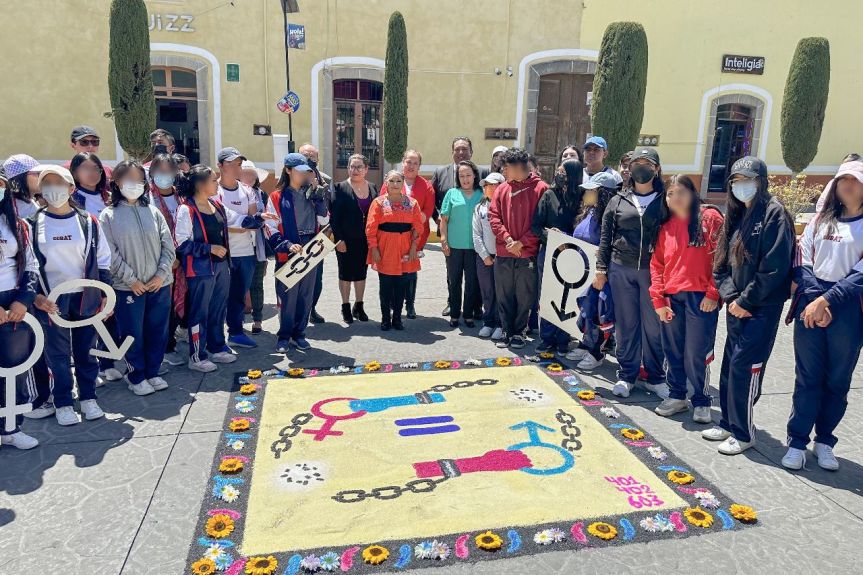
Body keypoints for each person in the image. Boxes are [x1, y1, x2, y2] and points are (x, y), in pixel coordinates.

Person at [705, 156, 794, 455]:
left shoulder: (774, 213)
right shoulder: (736, 214)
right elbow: (720, 265)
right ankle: (728, 422)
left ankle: (744, 432)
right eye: (736, 181)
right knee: (730, 364)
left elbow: (774, 268)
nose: (741, 186)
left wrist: (746, 300)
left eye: (748, 180)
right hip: (736, 305)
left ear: (761, 181)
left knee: (746, 367)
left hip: (761, 307)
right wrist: (732, 297)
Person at [782, 162, 863, 471]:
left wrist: (827, 301)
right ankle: (797, 441)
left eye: (855, 180)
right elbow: (802, 261)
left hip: (848, 308)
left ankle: (825, 440)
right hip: (812, 300)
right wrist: (816, 301)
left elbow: (859, 276)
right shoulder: (820, 220)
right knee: (808, 376)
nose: (847, 185)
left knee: (838, 379)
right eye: (842, 179)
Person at [28, 165, 111, 426]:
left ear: (71, 188)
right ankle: (63, 401)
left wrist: (105, 291)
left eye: (59, 183)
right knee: (58, 355)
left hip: (85, 295)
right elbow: (27, 265)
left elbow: (102, 258)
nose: (53, 188)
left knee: (86, 350)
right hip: (51, 300)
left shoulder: (88, 221)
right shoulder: (31, 225)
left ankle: (88, 397)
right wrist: (36, 297)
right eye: (47, 183)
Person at [649, 175, 724, 423]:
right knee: (673, 350)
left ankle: (701, 400)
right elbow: (657, 265)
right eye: (670, 194)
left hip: (701, 298)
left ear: (692, 193)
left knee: (696, 352)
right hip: (672, 298)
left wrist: (713, 293)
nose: (675, 198)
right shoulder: (665, 226)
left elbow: (721, 259)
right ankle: (677, 395)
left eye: (680, 192)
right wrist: (659, 300)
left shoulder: (709, 218)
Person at [595, 147, 668, 399]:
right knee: (626, 325)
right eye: (637, 163)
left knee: (653, 326)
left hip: (653, 272)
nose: (641, 168)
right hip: (621, 269)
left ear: (656, 169)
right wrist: (601, 269)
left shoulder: (666, 200)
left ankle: (655, 377)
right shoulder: (618, 200)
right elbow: (606, 238)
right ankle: (627, 375)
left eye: (648, 164)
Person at [100, 161, 175, 395]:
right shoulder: (108, 216)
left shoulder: (153, 212)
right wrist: (131, 280)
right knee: (133, 334)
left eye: (139, 180)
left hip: (159, 285)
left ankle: (152, 372)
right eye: (129, 179)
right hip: (128, 288)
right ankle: (136, 375)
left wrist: (161, 275)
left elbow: (168, 246)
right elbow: (109, 254)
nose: (135, 184)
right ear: (117, 183)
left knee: (157, 331)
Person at [265, 153, 328, 352]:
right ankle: (284, 336)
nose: (303, 175)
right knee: (287, 296)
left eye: (306, 172)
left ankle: (299, 334)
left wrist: (319, 198)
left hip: (311, 249)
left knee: (306, 295)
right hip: (289, 250)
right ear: (288, 170)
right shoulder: (276, 196)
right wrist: (285, 244)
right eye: (299, 172)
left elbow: (325, 220)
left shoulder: (313, 194)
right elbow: (270, 227)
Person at [175, 166, 236, 373]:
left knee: (218, 309)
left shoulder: (216, 204)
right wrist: (209, 248)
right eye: (213, 180)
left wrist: (260, 218)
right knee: (199, 312)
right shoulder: (186, 209)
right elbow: (181, 243)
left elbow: (236, 218)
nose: (217, 183)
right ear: (200, 184)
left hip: (221, 266)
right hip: (200, 270)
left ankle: (216, 347)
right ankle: (197, 356)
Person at [488, 148, 548, 348]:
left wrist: (522, 242)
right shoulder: (502, 189)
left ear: (517, 167)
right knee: (504, 293)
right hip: (504, 252)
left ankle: (519, 333)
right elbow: (494, 217)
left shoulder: (541, 188)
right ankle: (506, 331)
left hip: (527, 254)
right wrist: (507, 239)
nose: (503, 171)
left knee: (524, 296)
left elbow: (541, 222)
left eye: (505, 167)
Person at [0, 168, 40, 448]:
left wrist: (23, 300)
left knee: (14, 366)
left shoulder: (16, 224)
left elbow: (31, 264)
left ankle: (11, 428)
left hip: (14, 303)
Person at [432, 137, 490, 317]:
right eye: (457, 149)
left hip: (475, 242)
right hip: (452, 238)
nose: (461, 152)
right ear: (452, 152)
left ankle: (473, 308)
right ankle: (453, 306)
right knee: (453, 277)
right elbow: (432, 199)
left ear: (471, 152)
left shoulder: (483, 179)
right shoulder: (441, 174)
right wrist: (439, 224)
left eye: (464, 149)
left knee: (474, 278)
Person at [531, 159, 585, 354]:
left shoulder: (581, 196)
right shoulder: (549, 195)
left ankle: (563, 338)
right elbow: (536, 226)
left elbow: (583, 227)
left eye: (563, 172)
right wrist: (549, 235)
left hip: (573, 256)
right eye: (558, 171)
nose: (559, 175)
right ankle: (547, 338)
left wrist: (567, 237)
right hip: (550, 253)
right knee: (549, 296)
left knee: (568, 298)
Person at [217, 147, 267, 350]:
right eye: (233, 164)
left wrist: (243, 224)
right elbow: (219, 223)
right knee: (219, 298)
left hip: (246, 252)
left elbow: (254, 221)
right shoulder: (213, 190)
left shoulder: (247, 190)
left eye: (240, 163)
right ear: (221, 166)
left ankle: (236, 333)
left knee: (239, 296)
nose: (238, 167)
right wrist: (242, 224)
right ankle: (215, 339)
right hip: (222, 254)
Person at [567, 172, 617, 369]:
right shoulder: (588, 212)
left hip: (600, 273)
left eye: (591, 190)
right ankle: (586, 344)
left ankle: (597, 352)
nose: (586, 193)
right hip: (583, 271)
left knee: (598, 313)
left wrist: (603, 257)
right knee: (586, 311)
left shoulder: (610, 215)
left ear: (602, 193)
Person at [381, 149, 435, 318]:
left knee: (410, 271)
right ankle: (392, 302)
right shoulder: (392, 181)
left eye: (415, 163)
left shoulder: (426, 186)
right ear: (403, 163)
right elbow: (383, 205)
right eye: (408, 162)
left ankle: (409, 305)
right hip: (392, 236)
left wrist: (412, 222)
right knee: (392, 268)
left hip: (415, 235)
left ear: (419, 166)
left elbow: (427, 211)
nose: (411, 166)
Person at [366, 170, 423, 330]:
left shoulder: (412, 203)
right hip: (385, 248)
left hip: (405, 249)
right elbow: (370, 228)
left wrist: (414, 247)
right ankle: (385, 319)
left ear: (403, 183)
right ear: (386, 182)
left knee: (401, 285)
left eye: (398, 181)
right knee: (385, 285)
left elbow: (418, 227)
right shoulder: (378, 203)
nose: (395, 184)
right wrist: (374, 249)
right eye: (391, 181)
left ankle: (397, 319)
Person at [149, 154, 187, 367]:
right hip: (159, 261)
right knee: (162, 308)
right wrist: (168, 258)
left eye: (169, 171)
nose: (165, 175)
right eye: (160, 171)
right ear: (152, 173)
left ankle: (172, 339)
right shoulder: (147, 199)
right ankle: (165, 348)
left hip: (183, 259)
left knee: (179, 303)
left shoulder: (181, 196)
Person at [330, 154, 375, 324]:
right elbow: (334, 218)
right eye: (352, 166)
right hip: (345, 240)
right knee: (345, 274)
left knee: (361, 273)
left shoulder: (373, 187)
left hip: (365, 240)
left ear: (366, 169)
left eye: (359, 167)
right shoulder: (339, 188)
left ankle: (359, 306)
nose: (355, 170)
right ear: (348, 168)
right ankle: (345, 307)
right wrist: (339, 240)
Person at [440, 160, 483, 328]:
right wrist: (444, 240)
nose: (465, 179)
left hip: (475, 247)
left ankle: (468, 314)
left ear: (475, 176)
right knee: (454, 281)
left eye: (468, 175)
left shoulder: (481, 194)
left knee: (472, 282)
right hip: (454, 246)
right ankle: (455, 314)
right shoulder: (452, 193)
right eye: (461, 176)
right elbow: (444, 220)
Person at [299, 143, 330, 324]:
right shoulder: (293, 179)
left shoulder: (325, 180)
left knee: (317, 278)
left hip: (318, 236)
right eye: (305, 155)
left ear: (318, 159)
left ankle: (312, 309)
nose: (309, 159)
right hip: (298, 235)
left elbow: (329, 206)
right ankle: (297, 313)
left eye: (312, 156)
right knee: (299, 277)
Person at [240, 160, 272, 334]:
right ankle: (236, 322)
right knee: (238, 285)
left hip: (258, 246)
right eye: (245, 174)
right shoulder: (232, 193)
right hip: (238, 245)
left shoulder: (262, 194)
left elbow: (267, 220)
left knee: (257, 284)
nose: (249, 178)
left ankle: (257, 320)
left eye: (252, 174)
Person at [473, 172, 505, 340]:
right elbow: (476, 234)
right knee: (487, 291)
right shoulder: (480, 208)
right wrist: (485, 255)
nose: (487, 188)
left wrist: (501, 253)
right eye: (486, 185)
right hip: (484, 256)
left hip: (502, 256)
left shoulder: (506, 206)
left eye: (491, 185)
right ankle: (489, 322)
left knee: (501, 291)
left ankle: (500, 324)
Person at [70, 152, 110, 217]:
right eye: (86, 168)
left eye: (95, 168)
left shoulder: (109, 197)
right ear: (74, 172)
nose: (91, 172)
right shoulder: (71, 198)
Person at [3, 154, 41, 218]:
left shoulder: (31, 205)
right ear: (19, 178)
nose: (42, 176)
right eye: (38, 173)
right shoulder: (11, 209)